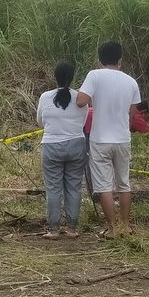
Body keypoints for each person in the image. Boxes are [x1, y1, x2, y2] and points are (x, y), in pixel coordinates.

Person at [77, 41, 141, 238]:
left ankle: (112, 229)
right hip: (123, 138)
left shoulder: (94, 76)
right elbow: (132, 114)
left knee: (104, 186)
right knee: (124, 183)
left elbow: (81, 101)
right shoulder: (131, 81)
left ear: (100, 58)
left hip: (100, 139)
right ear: (120, 59)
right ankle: (126, 226)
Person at [82, 101, 149, 201]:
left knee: (97, 161)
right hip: (89, 123)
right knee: (91, 160)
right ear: (144, 112)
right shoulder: (136, 117)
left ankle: (100, 193)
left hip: (92, 120)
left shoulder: (129, 111)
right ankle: (96, 195)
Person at [36, 61, 88, 240]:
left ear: (55, 76)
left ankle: (54, 229)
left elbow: (40, 122)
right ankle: (72, 228)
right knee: (74, 187)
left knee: (53, 188)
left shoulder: (45, 97)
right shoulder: (81, 98)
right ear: (72, 77)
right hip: (76, 145)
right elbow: (83, 122)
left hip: (52, 145)